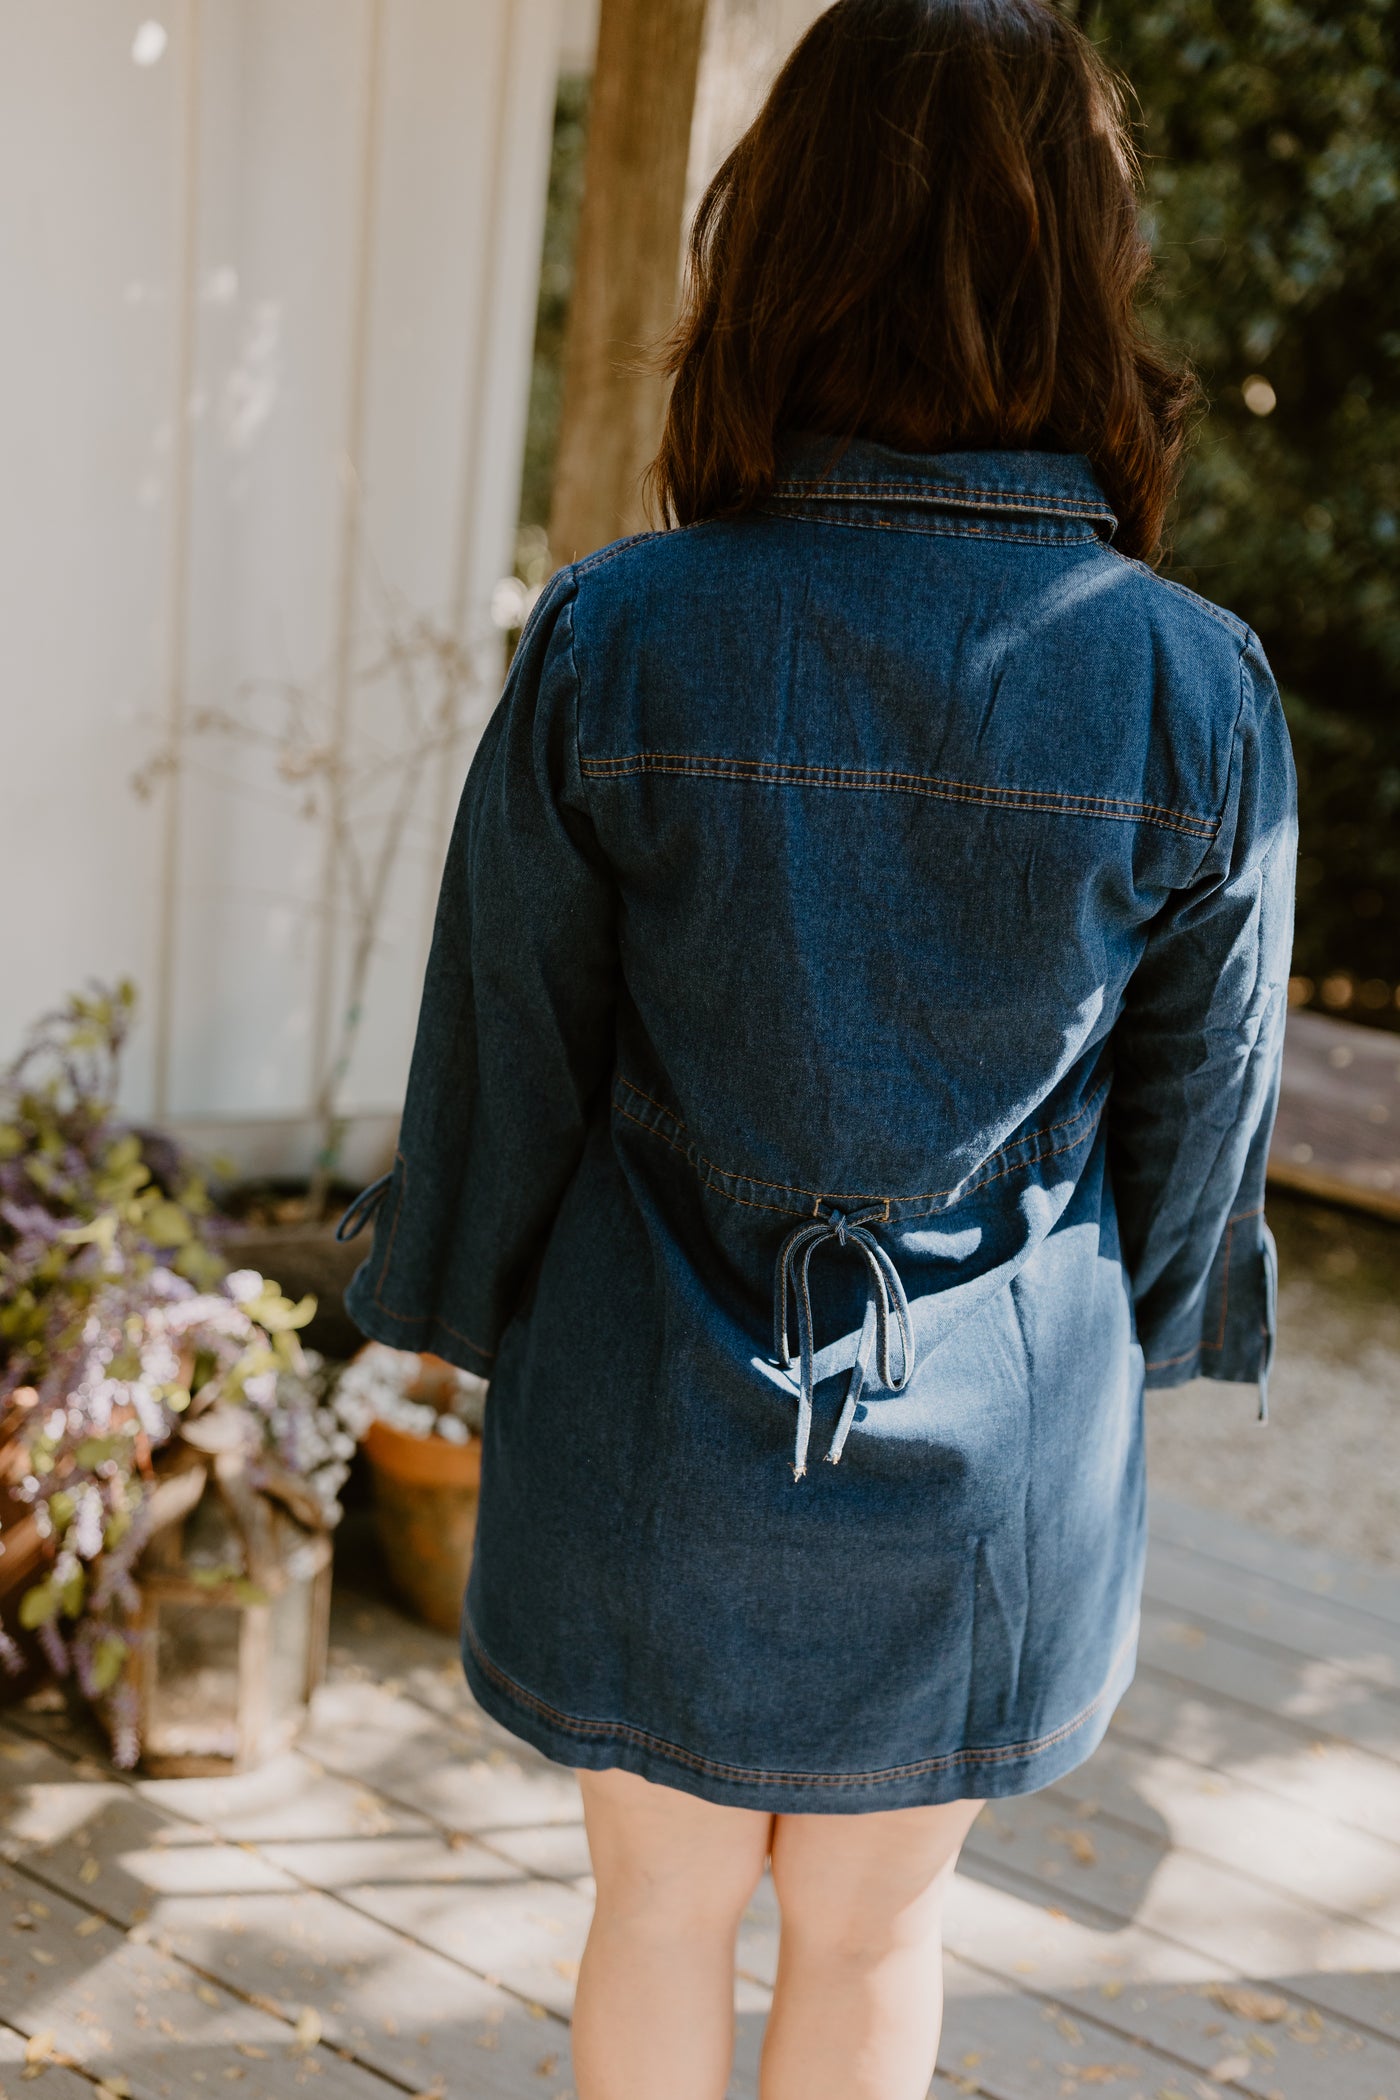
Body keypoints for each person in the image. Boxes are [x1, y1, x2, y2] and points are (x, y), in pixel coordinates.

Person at [337, 2, 1296, 2093]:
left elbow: (504, 1047)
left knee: (655, 1908)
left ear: (769, 246)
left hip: (652, 1413)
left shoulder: (622, 632)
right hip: (997, 1435)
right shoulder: (1190, 691)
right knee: (876, 1942)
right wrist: (1100, 1349)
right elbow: (1196, 1130)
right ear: (1084, 266)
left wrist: (458, 1304)